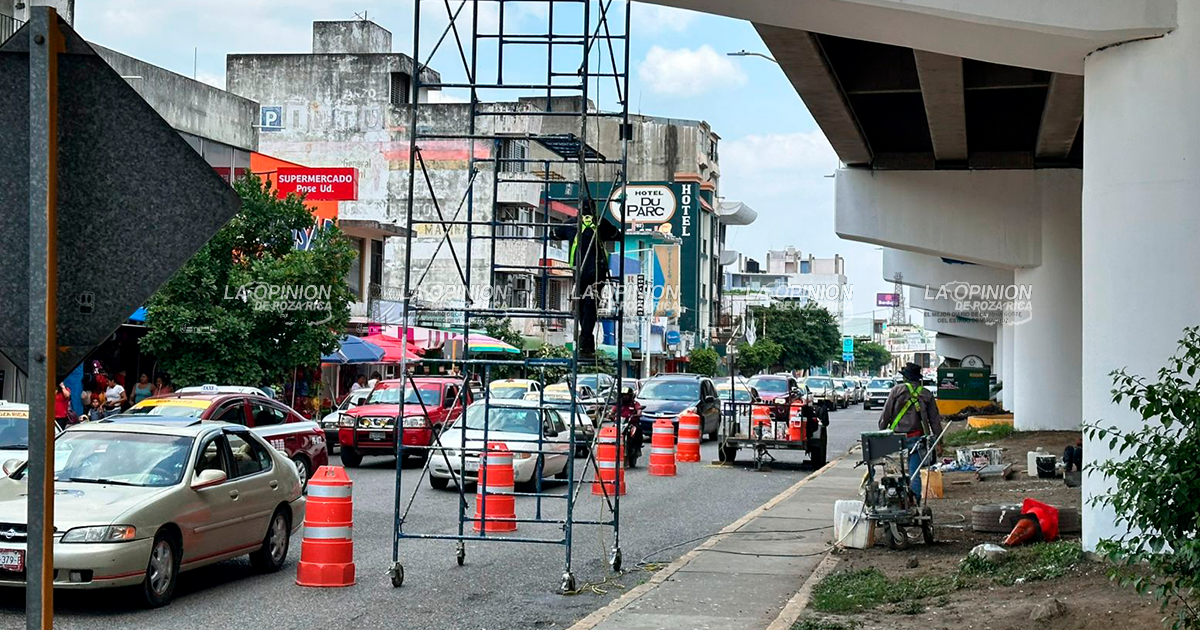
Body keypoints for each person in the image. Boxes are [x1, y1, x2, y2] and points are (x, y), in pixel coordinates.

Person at [551, 195, 622, 357]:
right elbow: (617, 235)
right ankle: (586, 342)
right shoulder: (601, 223)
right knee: (591, 305)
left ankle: (586, 341)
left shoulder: (571, 224)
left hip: (579, 272)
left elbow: (553, 233)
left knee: (582, 305)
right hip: (598, 272)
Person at [877, 362, 943, 497]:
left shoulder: (896, 390)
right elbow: (935, 421)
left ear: (905, 378)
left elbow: (886, 415)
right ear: (918, 379)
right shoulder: (926, 394)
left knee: (894, 473)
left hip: (895, 438)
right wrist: (939, 442)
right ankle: (915, 504)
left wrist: (881, 433)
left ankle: (895, 498)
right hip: (917, 438)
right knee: (915, 473)